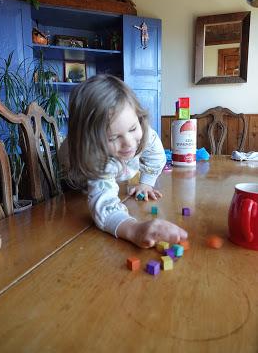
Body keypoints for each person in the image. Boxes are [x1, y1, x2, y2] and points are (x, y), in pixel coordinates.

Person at [59, 74, 188, 248]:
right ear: (92, 142)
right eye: (113, 137)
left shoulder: (145, 134)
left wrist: (146, 183)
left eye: (133, 128)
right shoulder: (97, 157)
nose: (128, 143)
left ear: (139, 118)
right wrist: (134, 230)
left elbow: (156, 157)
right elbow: (104, 207)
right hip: (74, 174)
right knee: (84, 195)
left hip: (112, 167)